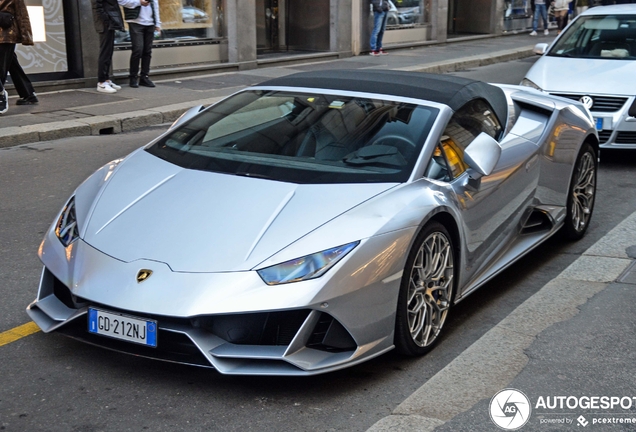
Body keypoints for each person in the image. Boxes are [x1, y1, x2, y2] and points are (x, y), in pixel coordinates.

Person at [0, 0, 33, 114]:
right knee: (12, 64)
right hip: (5, 36)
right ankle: (28, 93)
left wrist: (26, 36)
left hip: (6, 36)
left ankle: (0, 95)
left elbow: (21, 14)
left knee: (1, 68)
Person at [119, 0, 161, 88]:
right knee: (138, 49)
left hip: (150, 23)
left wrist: (157, 23)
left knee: (147, 51)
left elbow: (155, 4)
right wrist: (139, 2)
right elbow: (121, 1)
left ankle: (144, 77)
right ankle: (133, 77)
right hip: (135, 22)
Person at [92, 0, 124, 94]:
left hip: (109, 22)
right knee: (105, 52)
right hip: (105, 24)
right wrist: (107, 21)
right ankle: (101, 82)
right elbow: (97, 6)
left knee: (108, 52)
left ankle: (106, 80)